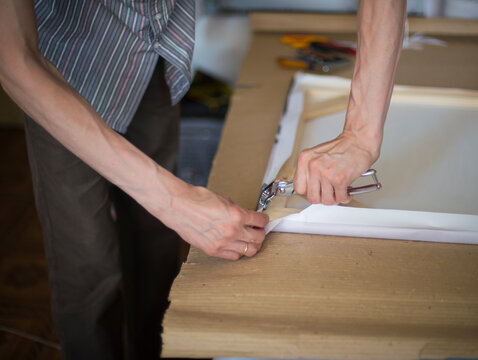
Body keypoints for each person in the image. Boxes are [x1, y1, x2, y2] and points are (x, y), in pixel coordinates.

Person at [0, 0, 405, 359]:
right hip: (57, 69)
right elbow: (13, 59)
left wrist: (361, 134)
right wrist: (173, 201)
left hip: (153, 52)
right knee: (86, 263)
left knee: (155, 243)